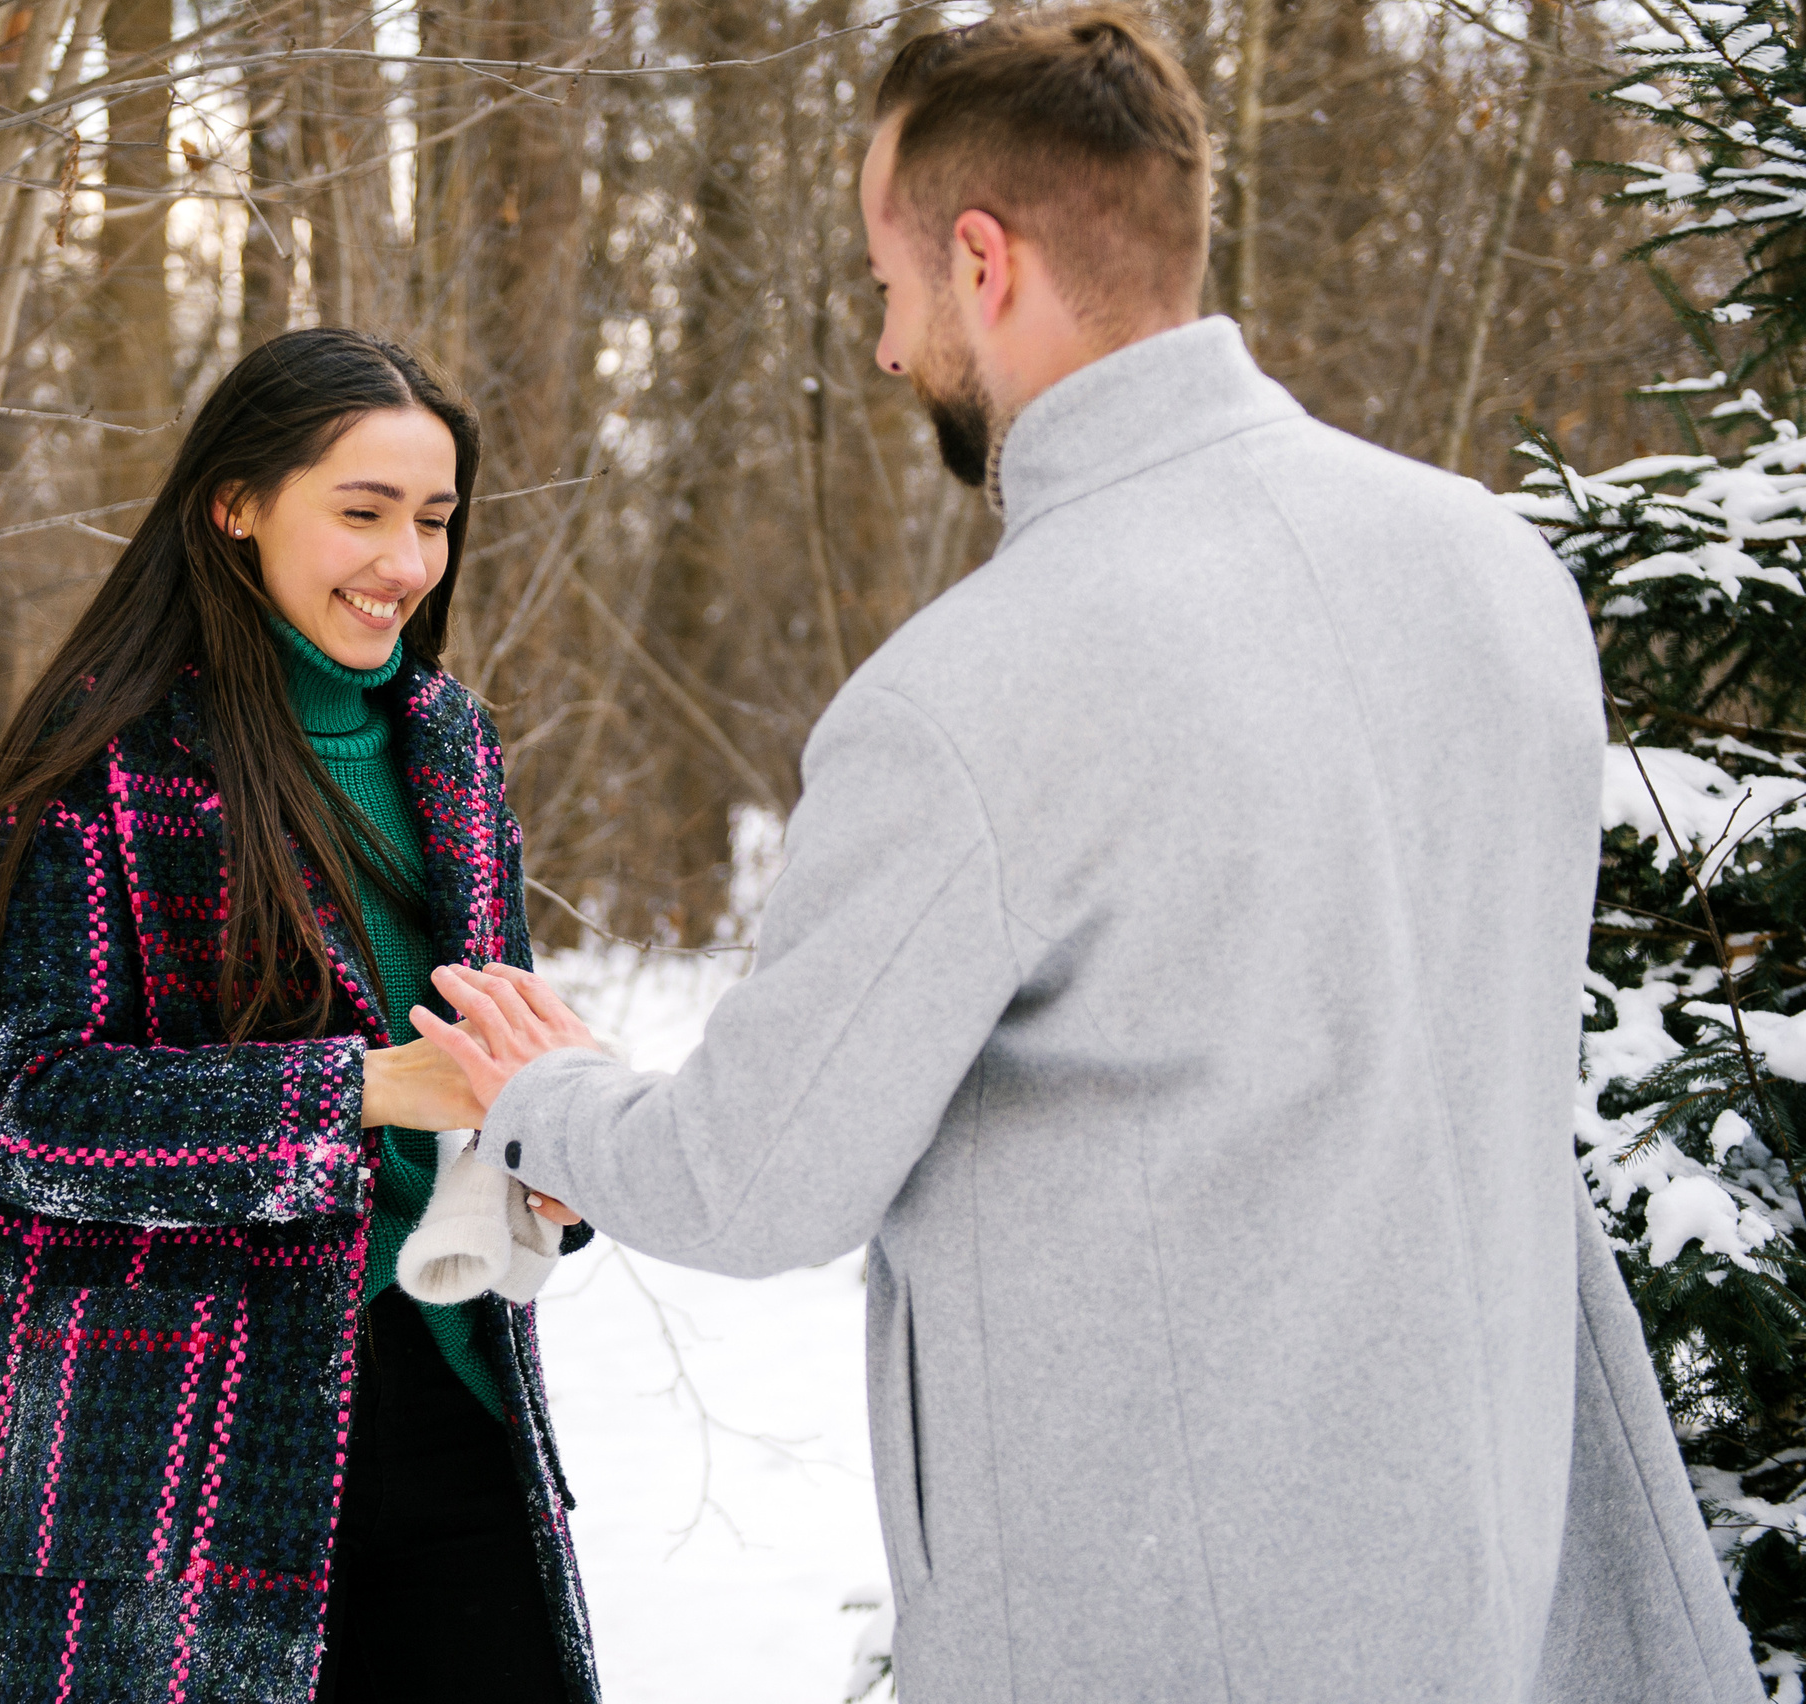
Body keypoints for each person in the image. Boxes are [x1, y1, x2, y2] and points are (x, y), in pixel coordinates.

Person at [408, 10, 1763, 1702]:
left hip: (1166, 1632)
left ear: (983, 263)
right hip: (1498, 1598)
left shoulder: (974, 698)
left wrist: (549, 1092)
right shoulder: (1498, 575)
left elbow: (756, 1182)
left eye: (889, 286)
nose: (888, 348)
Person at [0, 327, 598, 1704]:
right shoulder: (106, 767)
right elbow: (26, 1110)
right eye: (360, 513)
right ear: (235, 505)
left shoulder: (454, 747)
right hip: (181, 1465)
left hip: (454, 1391)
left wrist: (550, 1149)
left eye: (433, 520)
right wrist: (359, 1091)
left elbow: (472, 1063)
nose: (404, 562)